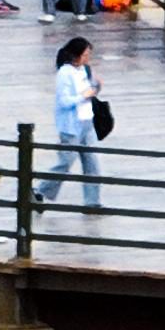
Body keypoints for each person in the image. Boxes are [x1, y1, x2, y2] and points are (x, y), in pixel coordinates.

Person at [39, 35, 105, 212]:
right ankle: (40, 190)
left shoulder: (85, 70)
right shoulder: (64, 73)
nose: (87, 58)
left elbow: (91, 89)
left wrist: (96, 87)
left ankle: (92, 202)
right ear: (76, 55)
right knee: (65, 163)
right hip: (70, 126)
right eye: (85, 55)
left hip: (87, 122)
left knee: (92, 163)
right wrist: (84, 96)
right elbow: (64, 101)